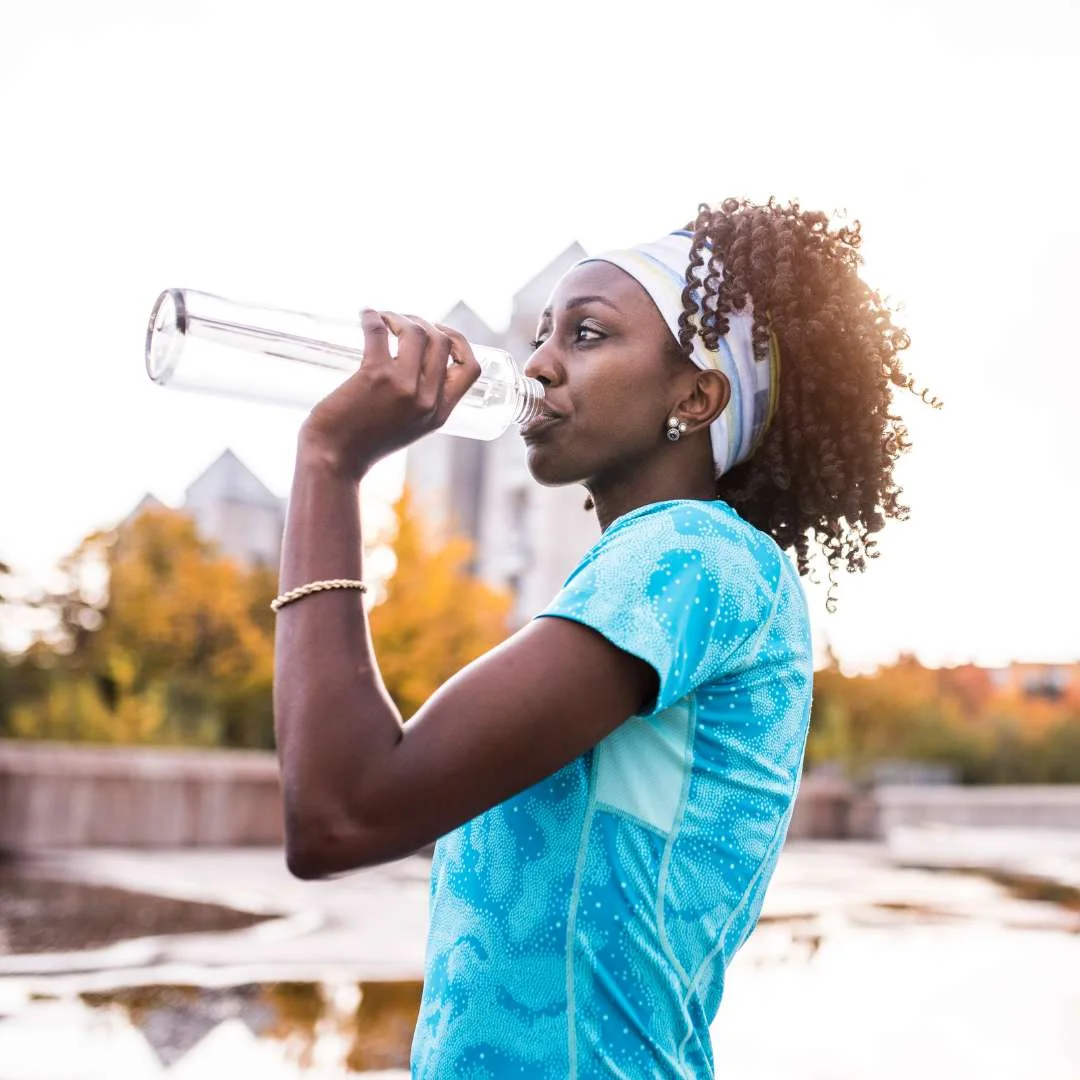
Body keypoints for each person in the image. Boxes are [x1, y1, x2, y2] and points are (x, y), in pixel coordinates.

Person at [272, 196, 934, 1077]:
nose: (538, 365)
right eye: (542, 333)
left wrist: (329, 463)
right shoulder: (658, 576)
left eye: (586, 334)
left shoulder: (693, 557)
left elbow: (341, 812)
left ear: (696, 396)